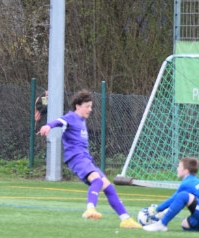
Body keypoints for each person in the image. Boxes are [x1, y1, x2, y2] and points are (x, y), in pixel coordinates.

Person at [38, 90, 141, 228]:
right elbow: (59, 121)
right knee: (97, 180)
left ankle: (126, 219)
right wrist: (48, 126)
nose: (90, 109)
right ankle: (90, 209)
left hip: (86, 158)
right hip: (76, 158)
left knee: (109, 187)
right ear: (77, 106)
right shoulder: (71, 117)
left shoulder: (82, 121)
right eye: (87, 106)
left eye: (91, 106)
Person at [142, 157, 199, 233]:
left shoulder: (187, 183)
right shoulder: (195, 181)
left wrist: (156, 209)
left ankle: (161, 224)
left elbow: (173, 199)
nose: (177, 169)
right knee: (185, 225)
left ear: (186, 171)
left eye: (179, 167)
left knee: (183, 195)